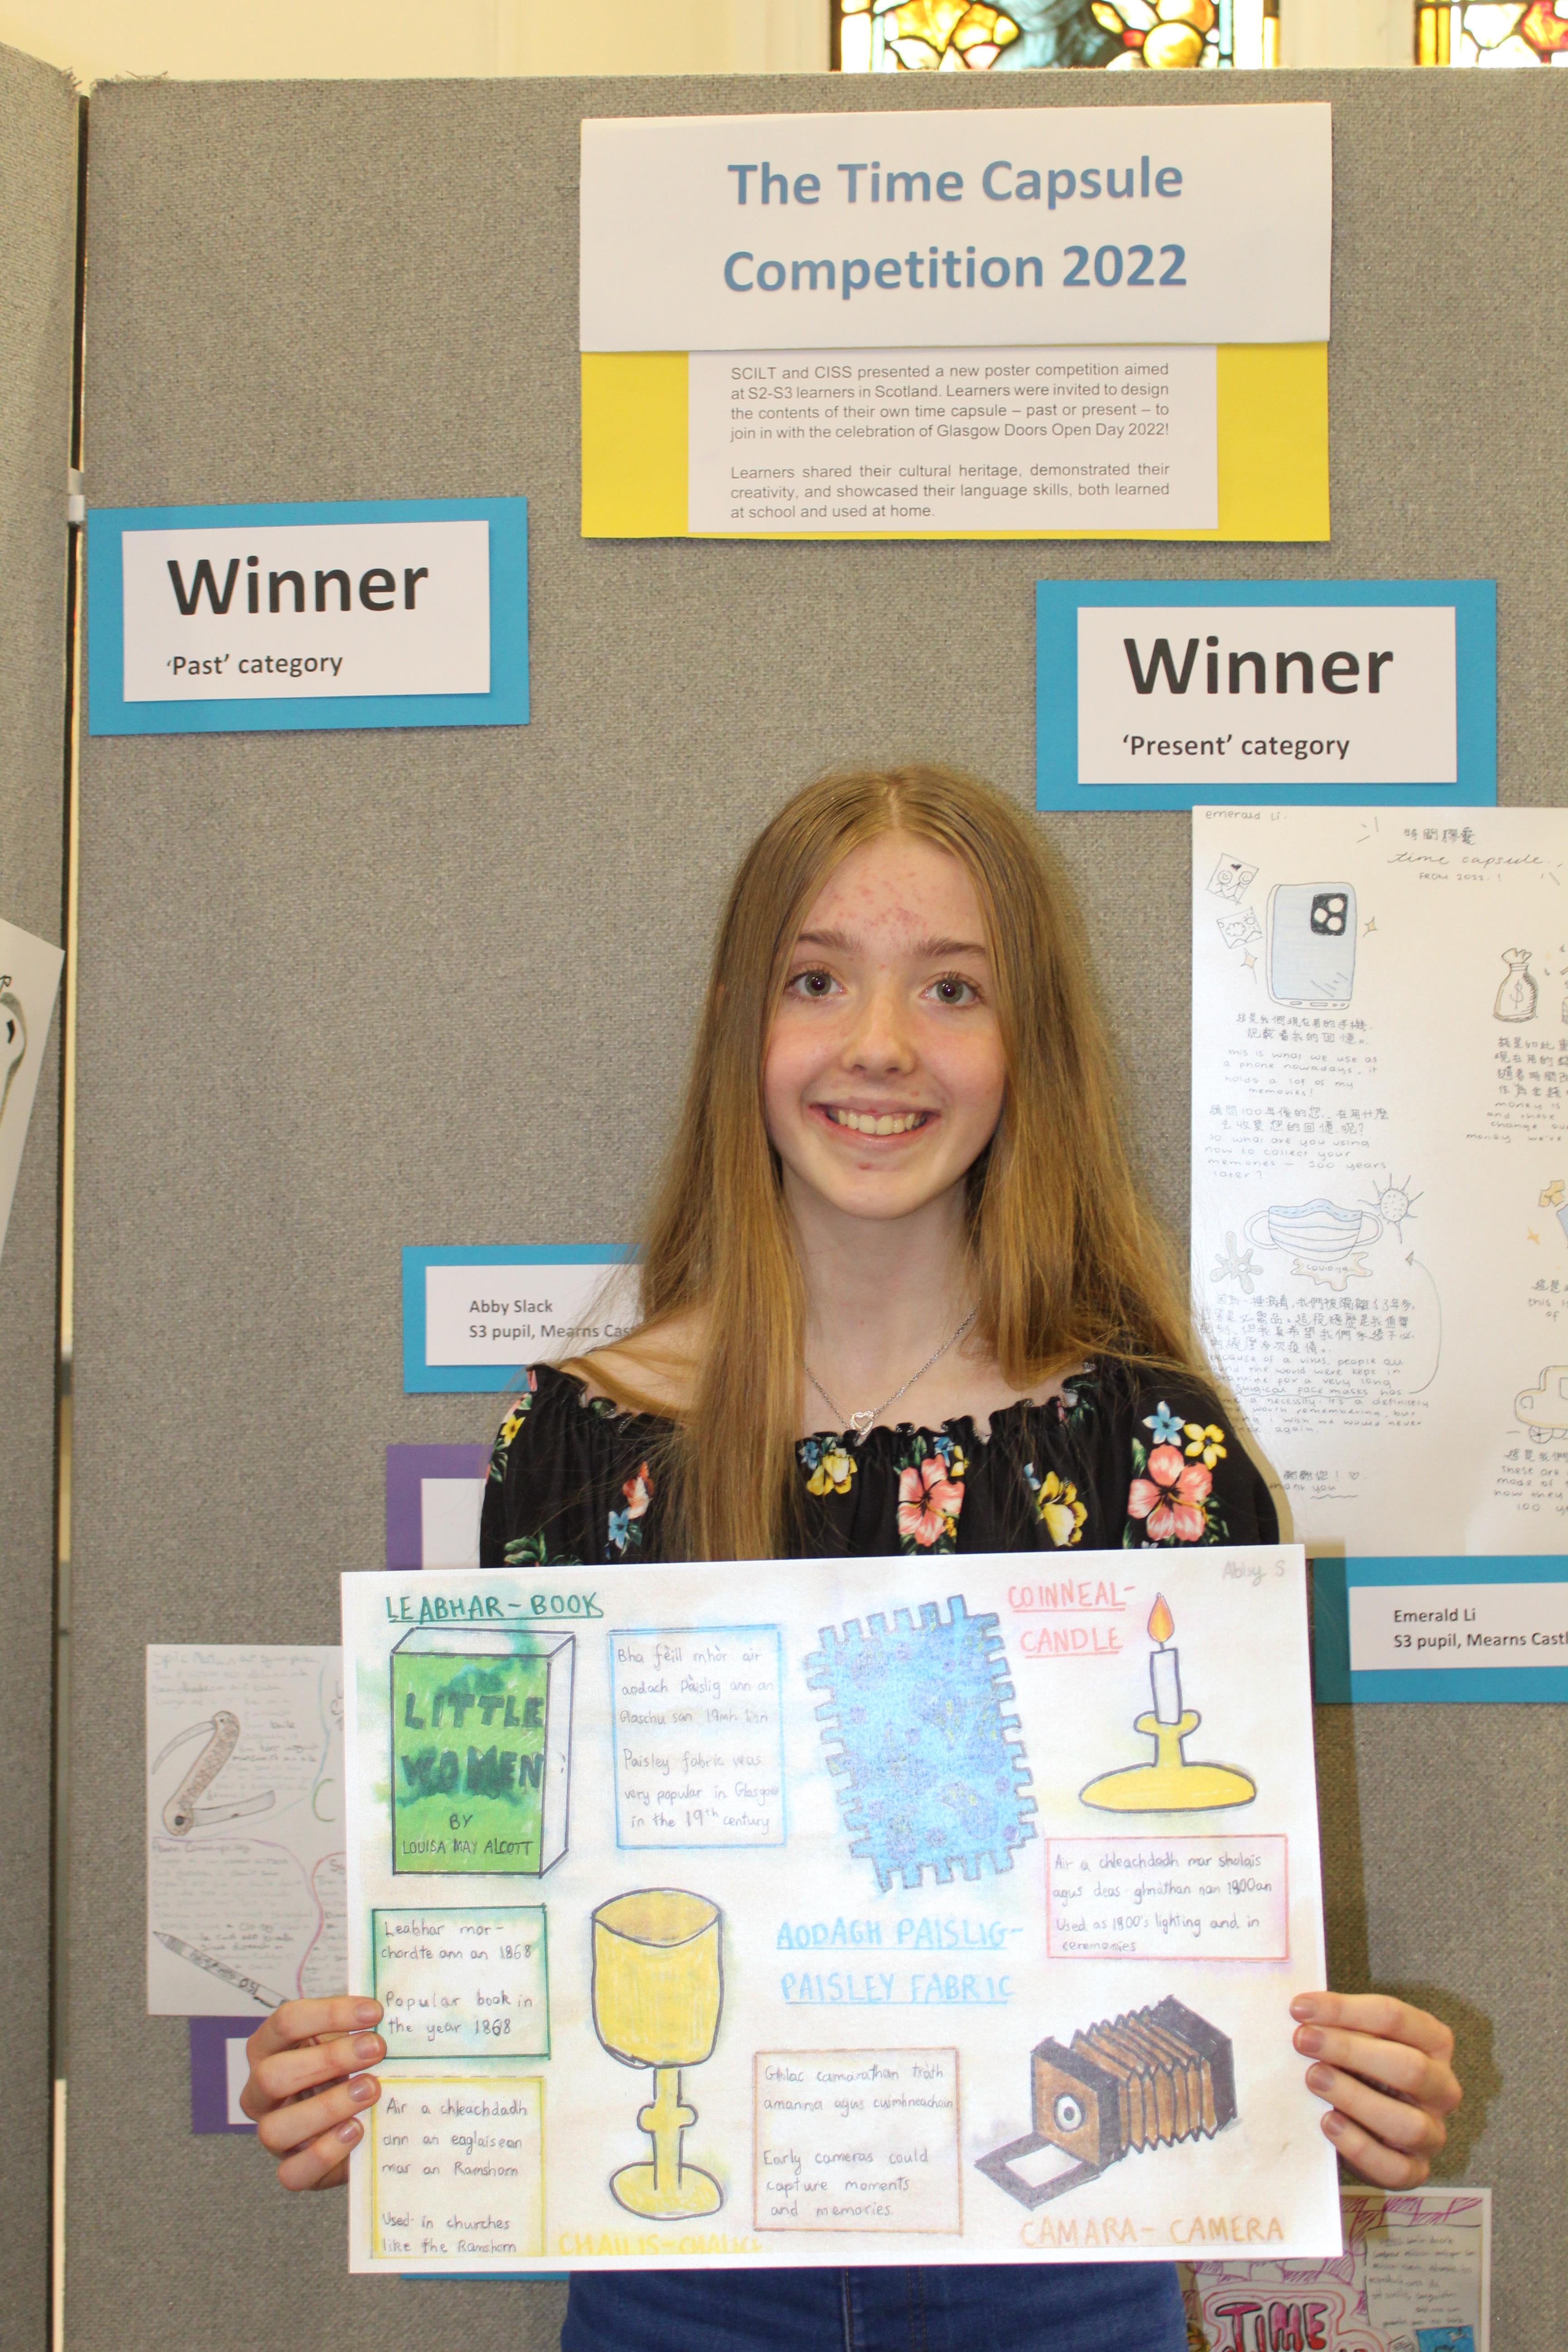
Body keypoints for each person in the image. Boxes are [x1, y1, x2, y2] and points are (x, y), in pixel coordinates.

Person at [242, 767, 1461, 2350]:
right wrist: (372, 2065)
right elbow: (515, 1910)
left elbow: (1209, 1946)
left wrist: (1349, 2081)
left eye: (952, 988)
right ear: (743, 1026)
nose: (881, 1042)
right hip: (681, 2289)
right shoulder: (579, 1444)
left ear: (1028, 1047)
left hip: (1068, 2281)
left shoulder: (1160, 1449)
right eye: (820, 980)